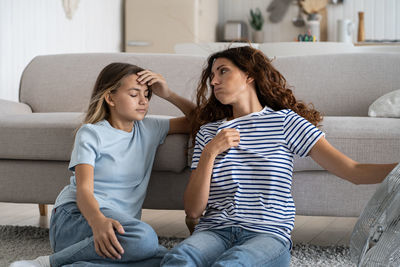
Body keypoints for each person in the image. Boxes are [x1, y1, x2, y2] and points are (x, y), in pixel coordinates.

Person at [160, 46, 398, 267]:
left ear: (249, 75)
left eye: (223, 71)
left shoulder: (284, 122)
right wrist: (210, 152)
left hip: (267, 234)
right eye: (212, 75)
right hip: (215, 231)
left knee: (232, 263)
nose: (214, 81)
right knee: (178, 258)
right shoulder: (209, 132)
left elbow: (352, 171)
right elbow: (193, 211)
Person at [11, 62, 195, 267]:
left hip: (119, 230)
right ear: (110, 98)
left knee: (173, 259)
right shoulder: (91, 133)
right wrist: (97, 221)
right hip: (77, 218)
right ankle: (47, 263)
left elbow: (203, 119)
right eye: (134, 94)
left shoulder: (150, 128)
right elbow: (84, 191)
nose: (143, 101)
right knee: (145, 238)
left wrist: (168, 94)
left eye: (147, 94)